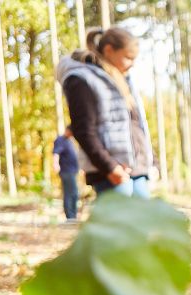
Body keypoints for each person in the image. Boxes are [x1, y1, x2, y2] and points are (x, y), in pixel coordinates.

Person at [56, 26, 153, 198]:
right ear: (109, 50)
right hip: (109, 171)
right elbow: (83, 130)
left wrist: (153, 161)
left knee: (144, 222)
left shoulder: (123, 80)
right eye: (128, 57)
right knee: (119, 223)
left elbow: (136, 125)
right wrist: (110, 167)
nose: (133, 64)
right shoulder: (81, 79)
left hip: (137, 168)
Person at [51, 128, 80, 221]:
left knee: (73, 193)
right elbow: (56, 153)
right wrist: (55, 164)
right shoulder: (60, 140)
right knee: (71, 193)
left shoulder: (69, 141)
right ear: (68, 130)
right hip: (66, 171)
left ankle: (73, 216)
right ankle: (70, 217)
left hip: (72, 171)